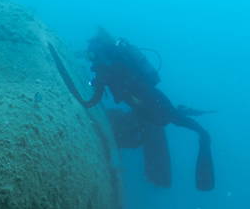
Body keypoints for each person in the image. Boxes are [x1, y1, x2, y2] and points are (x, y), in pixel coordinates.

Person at [49, 28, 214, 191]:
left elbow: (91, 101)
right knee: (172, 118)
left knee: (167, 119)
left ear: (97, 53)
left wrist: (84, 86)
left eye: (91, 55)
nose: (90, 59)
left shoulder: (105, 69)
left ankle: (196, 132)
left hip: (149, 107)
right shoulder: (118, 62)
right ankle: (189, 122)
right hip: (153, 99)